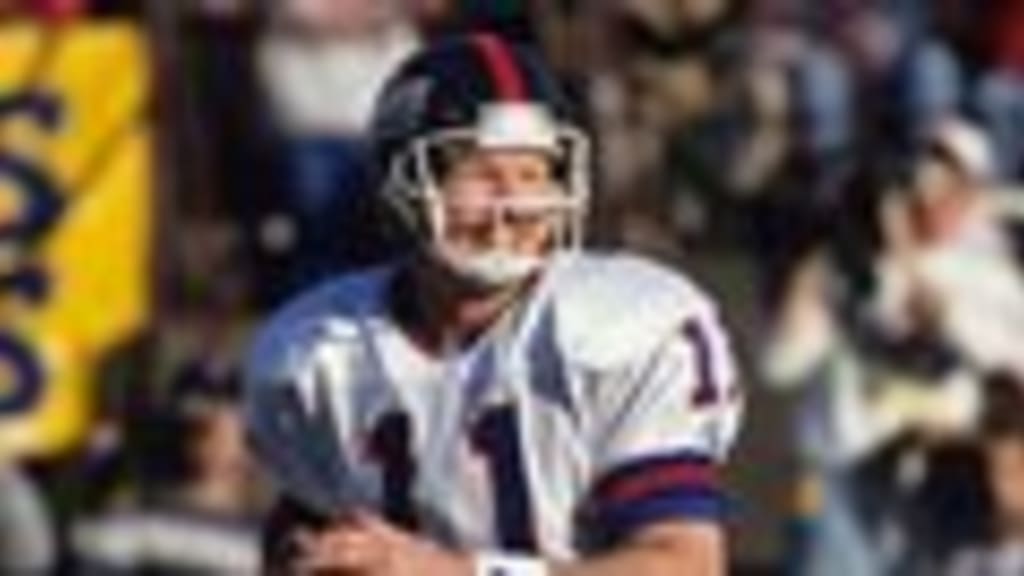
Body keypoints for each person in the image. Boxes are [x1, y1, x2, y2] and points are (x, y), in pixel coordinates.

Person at [243, 33, 743, 576]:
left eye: (533, 174)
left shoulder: (618, 327)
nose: (513, 202)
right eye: (481, 173)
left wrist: (456, 571)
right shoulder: (322, 349)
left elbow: (684, 563)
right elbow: (302, 530)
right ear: (406, 182)